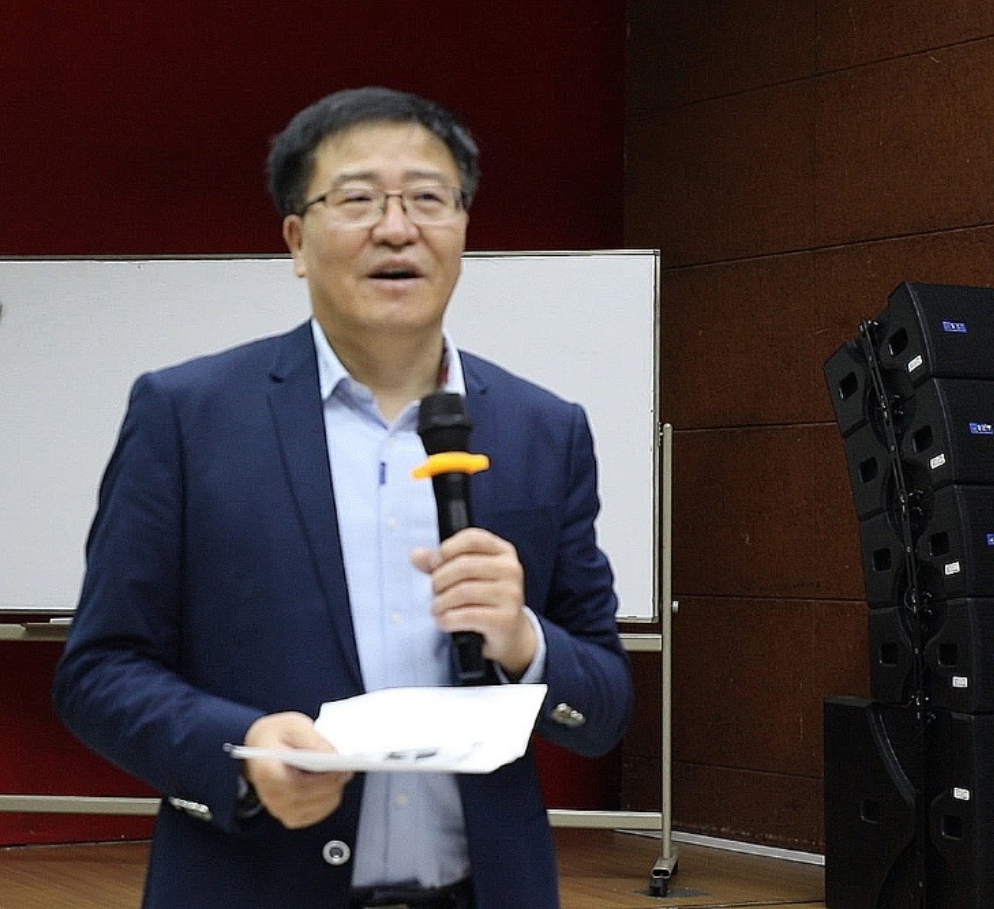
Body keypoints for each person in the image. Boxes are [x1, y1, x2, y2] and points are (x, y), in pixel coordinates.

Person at [53, 87, 633, 909]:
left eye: (428, 198)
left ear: (463, 227)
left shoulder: (545, 429)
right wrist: (242, 748)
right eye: (358, 199)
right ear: (296, 240)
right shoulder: (187, 417)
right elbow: (98, 672)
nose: (397, 229)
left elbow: (604, 706)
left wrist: (524, 641)